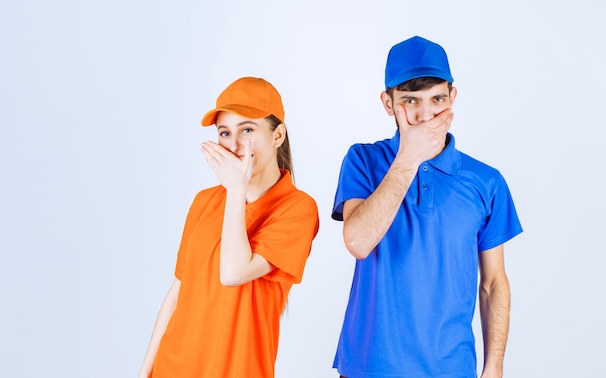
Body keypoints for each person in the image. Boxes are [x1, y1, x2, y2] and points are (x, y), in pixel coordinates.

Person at [331, 36, 523, 378]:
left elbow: (494, 282)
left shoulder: (486, 181)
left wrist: (494, 366)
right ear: (388, 104)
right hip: (367, 368)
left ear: (453, 97)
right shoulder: (363, 160)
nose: (425, 114)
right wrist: (408, 157)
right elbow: (358, 242)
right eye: (410, 101)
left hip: (450, 368)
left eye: (437, 99)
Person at [138, 77, 320, 378]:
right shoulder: (204, 201)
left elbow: (234, 273)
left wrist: (236, 189)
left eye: (247, 129)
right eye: (224, 133)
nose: (234, 145)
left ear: (277, 136)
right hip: (172, 367)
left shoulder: (297, 209)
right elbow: (177, 293)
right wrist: (145, 372)